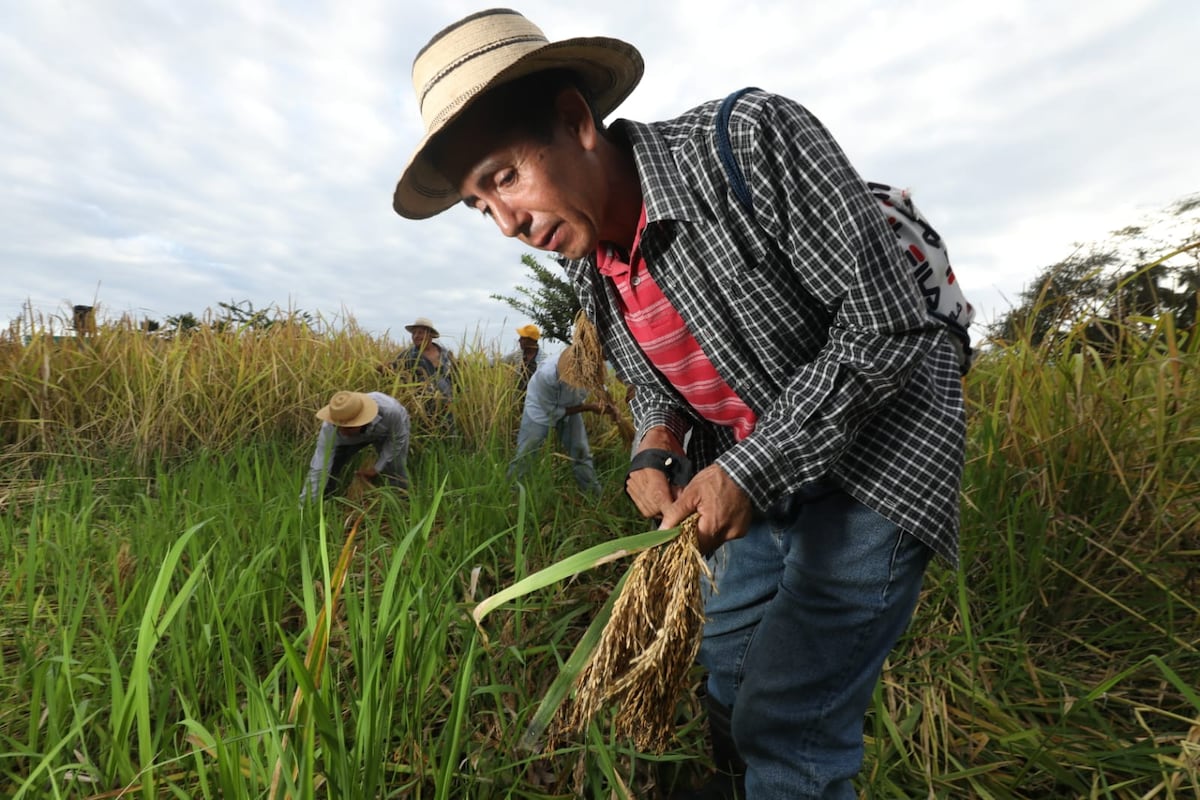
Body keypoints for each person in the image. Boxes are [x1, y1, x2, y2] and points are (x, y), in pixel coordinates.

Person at [391, 9, 966, 800]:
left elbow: (885, 328)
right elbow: (652, 371)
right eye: (480, 206)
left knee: (790, 711)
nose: (507, 225)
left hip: (876, 462)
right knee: (725, 658)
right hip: (752, 471)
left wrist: (749, 474)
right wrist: (655, 443)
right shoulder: (591, 261)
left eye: (503, 179)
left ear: (574, 121)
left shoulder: (753, 144)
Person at [507, 347, 607, 495]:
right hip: (540, 409)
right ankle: (513, 492)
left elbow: (602, 389)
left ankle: (593, 495)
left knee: (581, 451)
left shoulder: (591, 369)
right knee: (526, 452)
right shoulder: (547, 375)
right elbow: (552, 410)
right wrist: (589, 407)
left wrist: (609, 405)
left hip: (573, 406)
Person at [301, 390, 410, 502]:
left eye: (348, 427)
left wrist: (376, 469)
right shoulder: (329, 429)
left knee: (396, 466)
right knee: (333, 465)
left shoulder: (390, 412)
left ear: (362, 420)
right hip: (353, 439)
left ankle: (402, 499)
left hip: (386, 432)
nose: (343, 432)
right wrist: (304, 507)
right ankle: (325, 499)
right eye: (338, 426)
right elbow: (319, 468)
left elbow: (397, 440)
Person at [390, 316, 455, 414]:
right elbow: (391, 372)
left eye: (420, 332)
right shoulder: (407, 355)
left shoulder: (445, 354)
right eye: (414, 333)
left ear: (430, 335)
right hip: (420, 411)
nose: (416, 336)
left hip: (447, 410)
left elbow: (455, 380)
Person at [500, 323, 542, 392]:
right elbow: (500, 361)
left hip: (536, 399)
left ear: (531, 341)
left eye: (522, 338)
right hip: (518, 399)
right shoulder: (518, 355)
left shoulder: (544, 360)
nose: (519, 340)